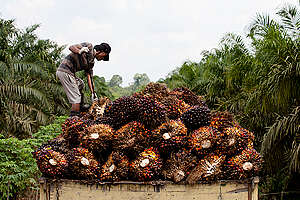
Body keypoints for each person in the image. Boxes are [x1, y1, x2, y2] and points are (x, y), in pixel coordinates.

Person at [56, 42, 111, 117]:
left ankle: (80, 106)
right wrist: (80, 51)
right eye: (104, 56)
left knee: (81, 84)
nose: (103, 59)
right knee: (76, 98)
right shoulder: (89, 46)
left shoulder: (91, 62)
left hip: (70, 73)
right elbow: (71, 47)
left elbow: (89, 77)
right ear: (101, 52)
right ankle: (74, 117)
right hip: (65, 71)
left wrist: (93, 93)